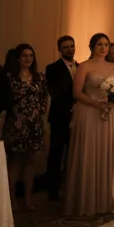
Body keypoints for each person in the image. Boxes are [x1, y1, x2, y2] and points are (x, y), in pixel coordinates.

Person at [64, 33, 114, 216]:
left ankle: (103, 201)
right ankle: (85, 201)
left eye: (106, 44)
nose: (103, 48)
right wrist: (97, 104)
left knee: (104, 152)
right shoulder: (84, 66)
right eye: (99, 44)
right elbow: (77, 93)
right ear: (92, 47)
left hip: (107, 112)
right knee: (88, 151)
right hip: (88, 112)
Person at [3, 44, 48, 211]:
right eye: (24, 56)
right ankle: (12, 199)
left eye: (31, 56)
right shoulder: (10, 77)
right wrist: (16, 116)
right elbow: (6, 100)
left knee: (30, 161)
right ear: (17, 58)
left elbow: (44, 99)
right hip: (16, 123)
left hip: (33, 124)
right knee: (14, 161)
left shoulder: (39, 77)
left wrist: (38, 112)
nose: (28, 59)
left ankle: (28, 199)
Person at [42, 36, 77, 202]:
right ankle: (53, 189)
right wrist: (72, 107)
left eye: (72, 46)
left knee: (74, 152)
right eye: (66, 47)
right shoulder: (52, 68)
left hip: (79, 117)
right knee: (57, 152)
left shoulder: (81, 66)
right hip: (60, 116)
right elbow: (55, 92)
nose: (70, 49)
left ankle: (71, 186)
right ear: (60, 50)